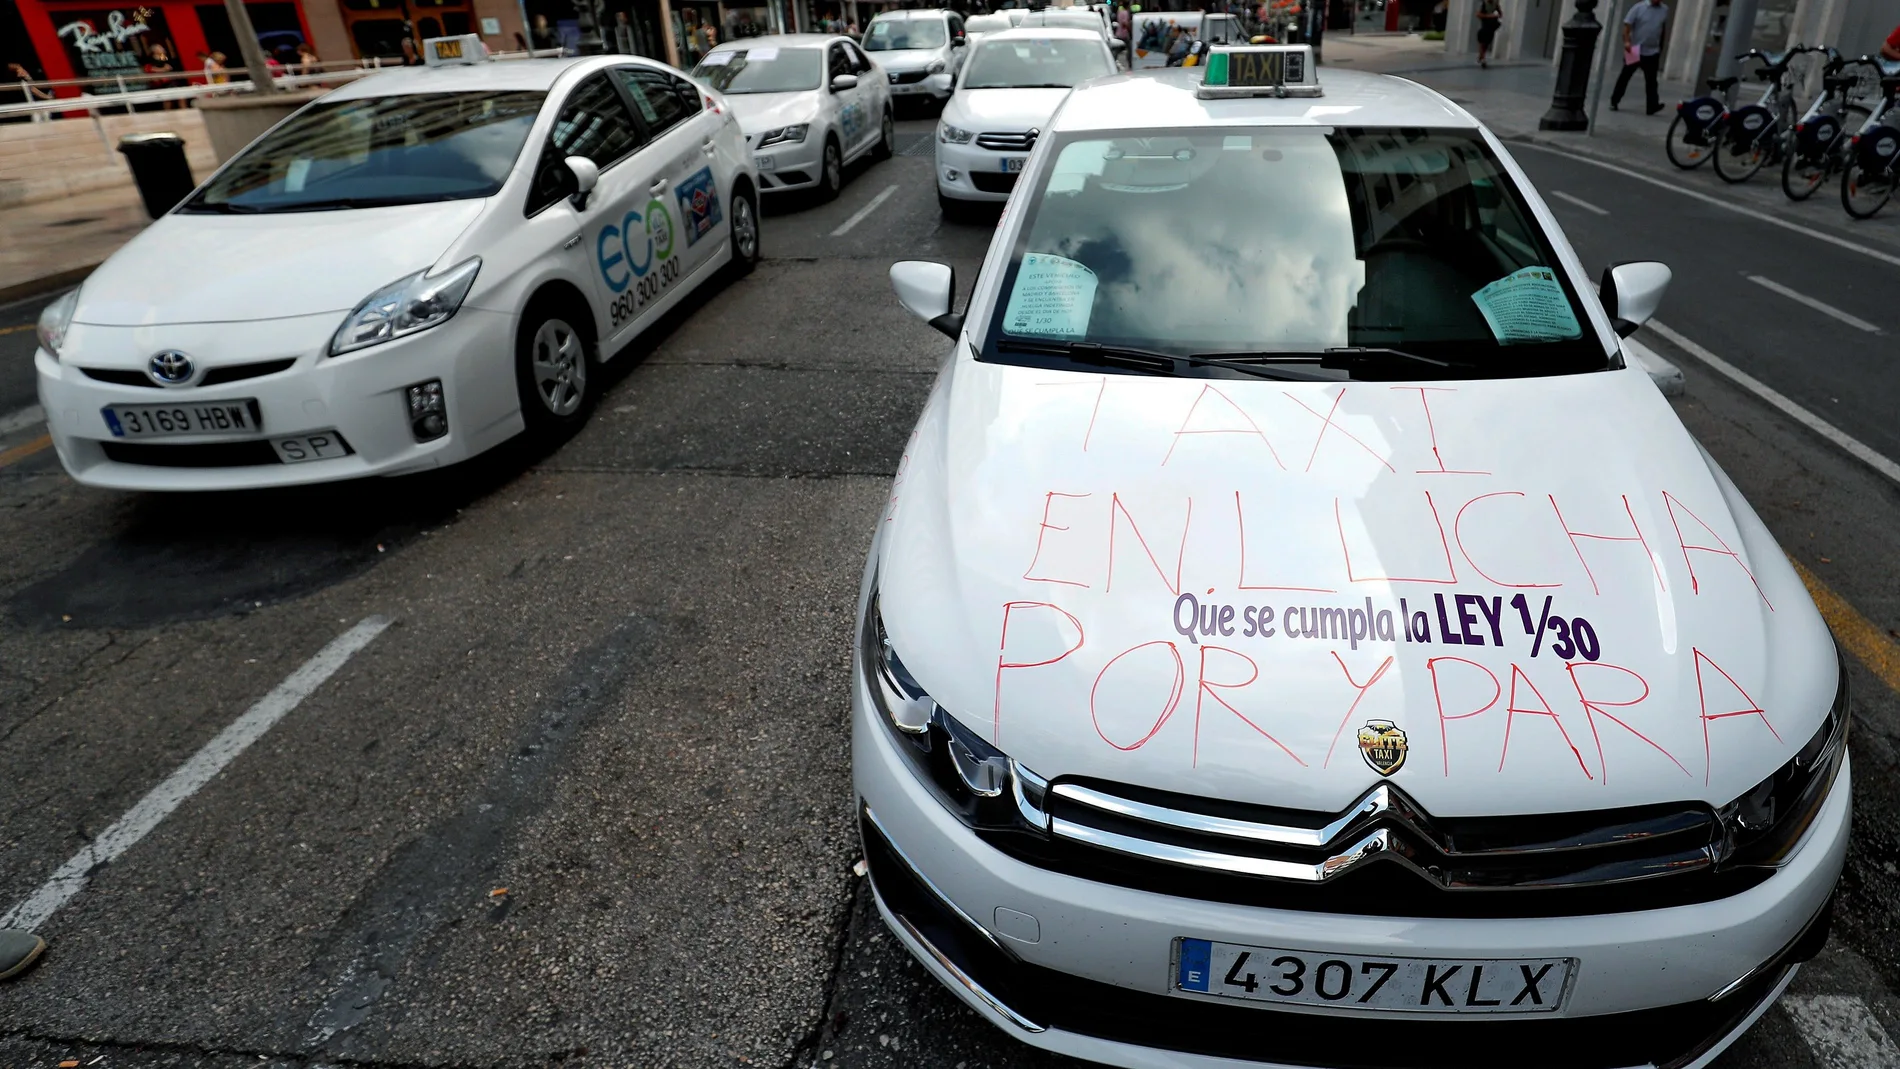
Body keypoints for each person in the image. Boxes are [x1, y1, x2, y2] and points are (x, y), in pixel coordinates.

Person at [1610, 0, 1669, 115]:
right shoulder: (1638, 8)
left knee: (1651, 80)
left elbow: (1662, 28)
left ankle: (1652, 105)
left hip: (1652, 50)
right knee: (1625, 76)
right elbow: (1627, 26)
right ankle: (1614, 101)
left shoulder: (1664, 10)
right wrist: (1627, 42)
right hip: (1635, 49)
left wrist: (1661, 47)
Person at [1474, 0, 1500, 68]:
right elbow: (1478, 14)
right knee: (1482, 41)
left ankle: (1481, 57)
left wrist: (1496, 15)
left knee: (1486, 43)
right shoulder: (1484, 4)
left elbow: (1500, 13)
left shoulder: (1495, 4)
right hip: (1485, 25)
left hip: (1491, 26)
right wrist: (1489, 16)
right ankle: (1483, 59)